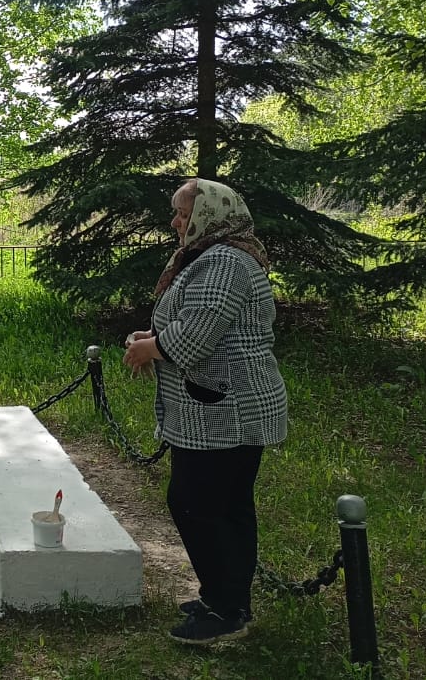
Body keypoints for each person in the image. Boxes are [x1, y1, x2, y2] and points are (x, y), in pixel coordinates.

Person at [122, 178, 288, 645]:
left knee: (198, 505)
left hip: (227, 411)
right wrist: (148, 340)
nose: (175, 221)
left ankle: (225, 612)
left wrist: (148, 350)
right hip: (219, 407)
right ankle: (227, 598)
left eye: (182, 212)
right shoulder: (211, 257)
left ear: (209, 214)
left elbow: (194, 339)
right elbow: (190, 324)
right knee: (223, 507)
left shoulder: (224, 261)